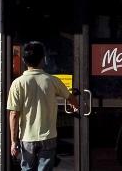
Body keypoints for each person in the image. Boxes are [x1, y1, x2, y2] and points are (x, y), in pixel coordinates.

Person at [7, 41, 78, 171]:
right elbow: (70, 97)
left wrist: (13, 142)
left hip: (27, 137)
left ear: (24, 60)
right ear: (43, 59)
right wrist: (75, 106)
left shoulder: (17, 84)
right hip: (48, 136)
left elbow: (14, 114)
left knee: (27, 169)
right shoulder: (51, 80)